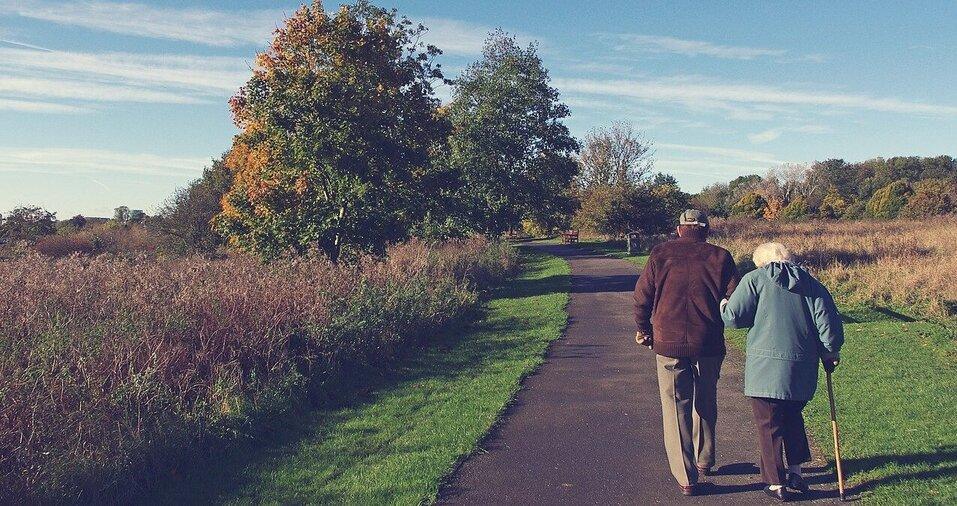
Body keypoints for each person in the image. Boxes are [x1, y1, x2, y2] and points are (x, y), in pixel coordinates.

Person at [721, 242, 843, 502]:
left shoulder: (755, 279)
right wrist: (830, 352)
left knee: (769, 424)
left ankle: (776, 482)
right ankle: (796, 471)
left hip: (765, 368)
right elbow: (828, 324)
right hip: (802, 367)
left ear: (761, 262)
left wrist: (723, 304)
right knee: (792, 417)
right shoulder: (812, 283)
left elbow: (733, 318)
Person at [633, 209, 740, 497]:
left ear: (680, 229)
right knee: (706, 398)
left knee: (675, 406)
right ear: (706, 230)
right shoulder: (721, 256)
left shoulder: (660, 254)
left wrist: (643, 328)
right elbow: (734, 298)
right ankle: (705, 459)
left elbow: (642, 295)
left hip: (668, 341)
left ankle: (687, 477)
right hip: (708, 341)